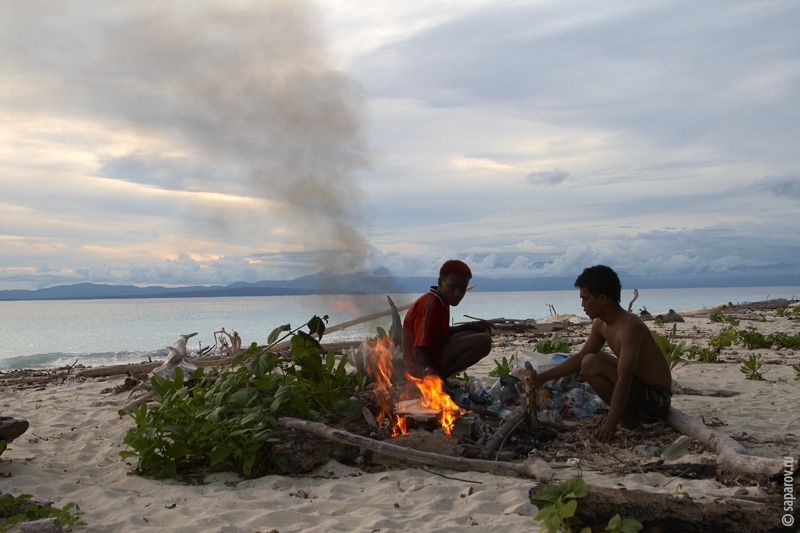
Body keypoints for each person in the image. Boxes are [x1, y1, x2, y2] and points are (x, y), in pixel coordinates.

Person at [534, 265, 672, 442]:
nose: (582, 305)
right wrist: (542, 377)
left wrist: (609, 427)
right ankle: (628, 419)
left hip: (656, 401)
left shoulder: (630, 327)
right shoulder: (601, 324)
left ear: (603, 299)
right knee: (590, 357)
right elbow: (579, 357)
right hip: (638, 390)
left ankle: (630, 422)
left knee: (591, 362)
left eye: (586, 299)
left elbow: (625, 379)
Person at [402, 260, 493, 379]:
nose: (457, 294)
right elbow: (419, 350)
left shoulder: (442, 301)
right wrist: (429, 377)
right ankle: (440, 378)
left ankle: (440, 377)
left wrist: (469, 325)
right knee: (483, 341)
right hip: (419, 365)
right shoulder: (429, 305)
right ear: (440, 282)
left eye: (462, 289)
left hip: (432, 353)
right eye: (453, 287)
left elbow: (439, 333)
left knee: (477, 333)